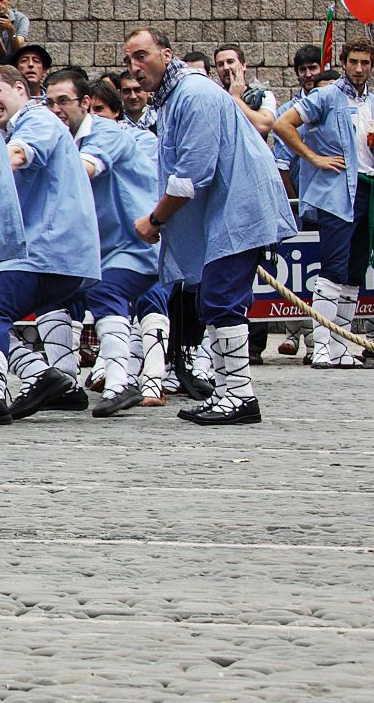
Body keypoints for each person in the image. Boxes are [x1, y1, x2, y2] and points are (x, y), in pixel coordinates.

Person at [126, 25, 295, 425]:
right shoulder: (176, 97)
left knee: (220, 299)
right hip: (228, 213)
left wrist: (155, 219)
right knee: (215, 300)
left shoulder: (193, 94)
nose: (134, 67)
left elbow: (191, 175)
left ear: (167, 55)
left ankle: (239, 397)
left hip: (238, 212)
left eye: (141, 56)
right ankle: (229, 391)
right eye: (129, 59)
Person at [0, 65, 101, 425]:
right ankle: (43, 377)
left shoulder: (37, 119)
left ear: (21, 89)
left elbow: (18, 155)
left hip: (45, 250)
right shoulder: (12, 128)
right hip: (44, 253)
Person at [47, 69, 168, 414]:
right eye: (49, 102)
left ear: (84, 103)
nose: (56, 109)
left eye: (63, 101)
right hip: (95, 250)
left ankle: (121, 383)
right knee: (45, 293)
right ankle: (61, 383)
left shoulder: (106, 133)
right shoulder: (61, 139)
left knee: (109, 292)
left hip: (137, 243)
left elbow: (84, 169)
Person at [271, 37, 374, 371]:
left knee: (354, 272)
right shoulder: (327, 95)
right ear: (343, 63)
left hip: (369, 189)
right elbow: (282, 124)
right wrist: (314, 158)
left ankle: (341, 346)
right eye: (353, 62)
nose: (358, 69)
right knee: (333, 267)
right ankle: (321, 346)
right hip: (336, 193)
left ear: (373, 67)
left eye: (365, 63)